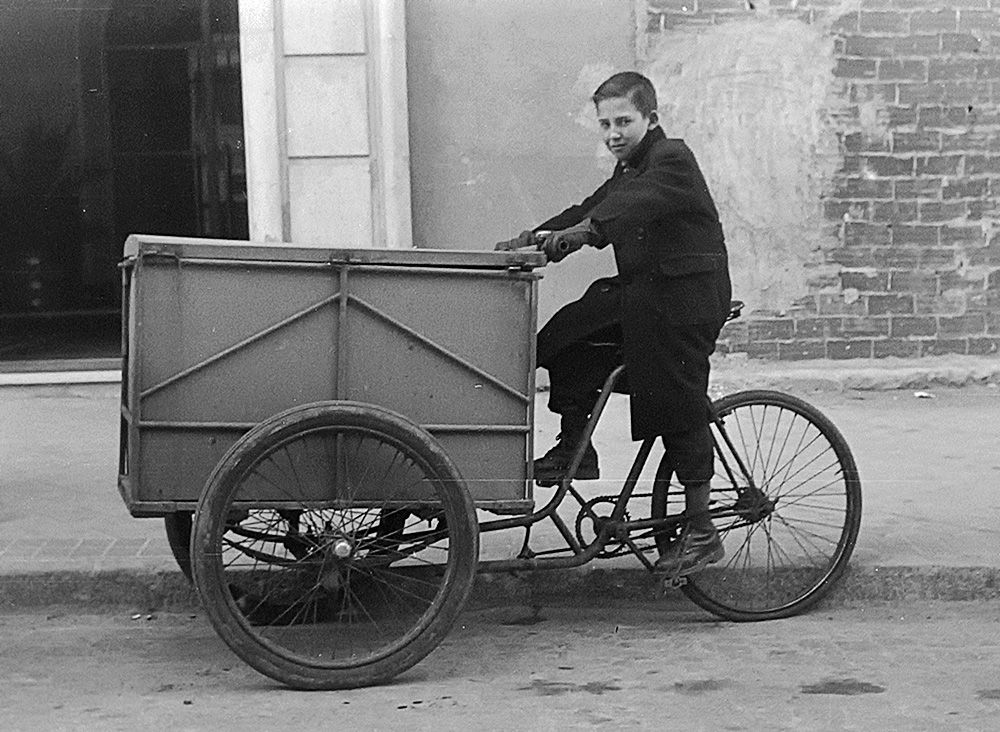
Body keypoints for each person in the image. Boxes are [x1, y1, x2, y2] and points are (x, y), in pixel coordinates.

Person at [495, 71, 732, 576]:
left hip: (686, 301)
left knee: (674, 395)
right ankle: (575, 449)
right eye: (605, 124)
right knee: (565, 336)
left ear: (651, 119)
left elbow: (626, 208)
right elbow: (595, 207)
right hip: (647, 295)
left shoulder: (672, 160)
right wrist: (538, 237)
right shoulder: (629, 169)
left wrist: (584, 235)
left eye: (623, 121)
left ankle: (702, 529)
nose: (613, 133)